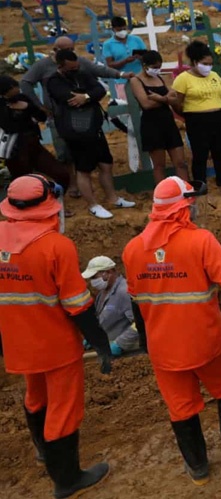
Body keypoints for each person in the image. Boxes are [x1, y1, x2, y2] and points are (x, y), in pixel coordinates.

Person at [122, 177, 221, 486]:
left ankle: (198, 469)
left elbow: (136, 303)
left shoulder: (132, 250)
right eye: (191, 204)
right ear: (184, 207)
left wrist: (146, 344)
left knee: (181, 407)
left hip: (164, 349)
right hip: (207, 340)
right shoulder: (201, 241)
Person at [0, 175, 112, 498]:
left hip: (19, 342)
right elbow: (78, 305)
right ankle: (67, 479)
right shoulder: (56, 247)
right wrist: (101, 342)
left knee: (36, 398)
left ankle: (42, 450)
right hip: (56, 345)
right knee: (63, 410)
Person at [20, 35, 132, 198]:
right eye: (67, 50)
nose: (72, 53)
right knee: (65, 153)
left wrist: (121, 75)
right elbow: (26, 82)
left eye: (72, 49)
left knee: (89, 154)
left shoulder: (78, 64)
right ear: (56, 51)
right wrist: (38, 106)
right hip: (59, 116)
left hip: (86, 118)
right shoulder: (45, 68)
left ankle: (89, 182)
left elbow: (99, 72)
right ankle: (72, 184)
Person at [46, 49, 136, 219]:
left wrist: (86, 97)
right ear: (61, 66)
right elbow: (67, 98)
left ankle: (112, 198)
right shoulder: (53, 81)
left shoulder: (82, 74)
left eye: (76, 66)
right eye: (71, 68)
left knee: (106, 164)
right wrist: (88, 96)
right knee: (83, 169)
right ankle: (93, 204)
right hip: (75, 132)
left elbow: (99, 90)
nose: (75, 70)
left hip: (94, 127)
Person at [170, 41, 221, 198]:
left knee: (220, 152)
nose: (208, 67)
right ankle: (200, 185)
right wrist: (189, 116)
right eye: (205, 64)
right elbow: (177, 102)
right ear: (195, 62)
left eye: (210, 64)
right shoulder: (183, 79)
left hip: (217, 118)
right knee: (200, 154)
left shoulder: (214, 76)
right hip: (196, 120)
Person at [0, 75, 70, 196]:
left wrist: (27, 107)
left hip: (34, 144)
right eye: (13, 87)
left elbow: (41, 116)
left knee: (61, 174)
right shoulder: (1, 105)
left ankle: (53, 201)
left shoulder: (22, 98)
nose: (17, 88)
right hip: (14, 150)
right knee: (25, 183)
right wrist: (24, 115)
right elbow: (9, 127)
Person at [128, 50, 189, 185]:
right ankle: (162, 195)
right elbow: (146, 104)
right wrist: (166, 99)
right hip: (152, 125)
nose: (157, 70)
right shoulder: (136, 80)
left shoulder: (160, 78)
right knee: (159, 165)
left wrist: (161, 98)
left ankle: (187, 191)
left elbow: (174, 98)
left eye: (158, 67)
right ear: (145, 65)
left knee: (180, 162)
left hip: (168, 122)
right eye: (154, 67)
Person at [81, 255, 139, 355]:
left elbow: (139, 323)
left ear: (108, 272)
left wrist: (120, 344)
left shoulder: (124, 292)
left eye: (94, 277)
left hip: (130, 353)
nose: (92, 281)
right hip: (110, 352)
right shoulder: (102, 294)